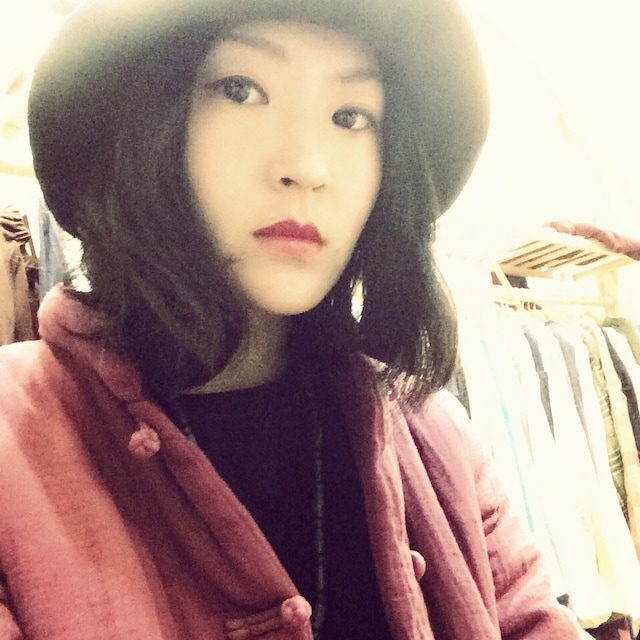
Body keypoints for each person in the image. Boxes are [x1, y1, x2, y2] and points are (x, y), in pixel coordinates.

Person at [0, 0, 587, 638]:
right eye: (240, 90)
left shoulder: (434, 432)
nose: (307, 167)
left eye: (351, 117)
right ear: (144, 121)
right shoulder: (17, 441)